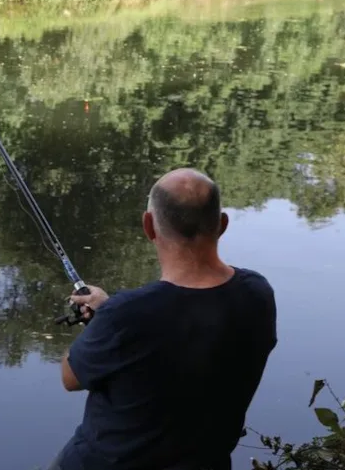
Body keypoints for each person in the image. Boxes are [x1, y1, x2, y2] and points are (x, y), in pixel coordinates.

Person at [50, 168, 278, 470]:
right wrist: (109, 315)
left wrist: (108, 320)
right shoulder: (257, 294)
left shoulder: (126, 315)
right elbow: (180, 331)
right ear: (222, 224)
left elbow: (71, 377)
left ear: (149, 226)